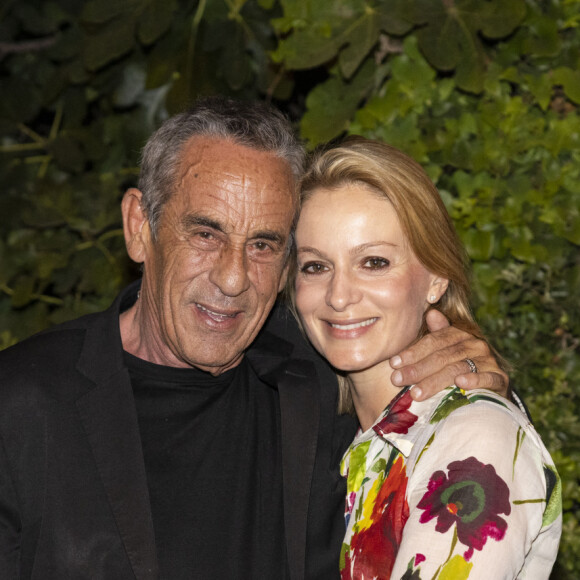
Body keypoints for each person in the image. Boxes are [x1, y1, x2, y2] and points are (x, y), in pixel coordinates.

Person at [0, 98, 508, 580]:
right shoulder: (24, 404)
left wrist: (474, 376)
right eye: (206, 234)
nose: (233, 278)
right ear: (139, 227)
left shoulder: (316, 370)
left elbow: (458, 433)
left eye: (263, 244)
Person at [290, 136, 562, 579]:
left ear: (436, 278)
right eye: (315, 266)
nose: (339, 296)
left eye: (374, 262)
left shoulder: (473, 440)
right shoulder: (350, 437)